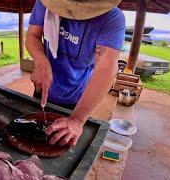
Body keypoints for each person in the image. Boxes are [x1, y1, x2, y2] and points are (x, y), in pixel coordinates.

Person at [25, 0, 125, 147]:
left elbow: (106, 67)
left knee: (60, 143)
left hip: (76, 97)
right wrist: (41, 62)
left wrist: (77, 119)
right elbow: (32, 36)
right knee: (34, 137)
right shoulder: (45, 3)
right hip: (44, 86)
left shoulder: (112, 18)